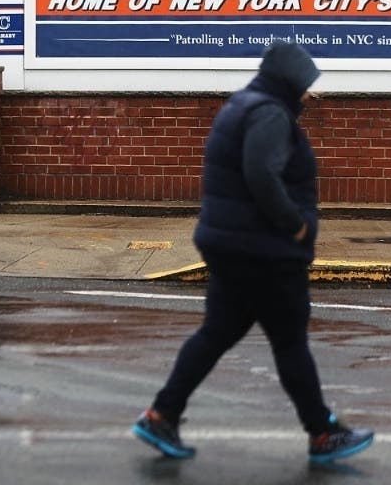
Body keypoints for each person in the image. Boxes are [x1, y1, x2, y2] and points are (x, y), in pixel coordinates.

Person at [132, 40, 374, 465]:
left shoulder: (244, 105)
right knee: (290, 342)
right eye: (305, 85)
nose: (310, 94)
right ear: (288, 81)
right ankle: (322, 433)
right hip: (263, 251)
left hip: (234, 245)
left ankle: (161, 414)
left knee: (216, 334)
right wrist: (294, 224)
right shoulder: (269, 114)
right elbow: (261, 174)